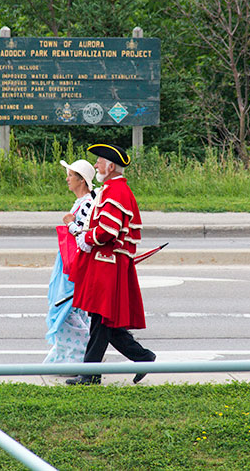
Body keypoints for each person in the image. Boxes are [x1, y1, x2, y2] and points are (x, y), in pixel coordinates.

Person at [66, 144, 156, 385]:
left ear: (111, 166)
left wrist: (83, 235)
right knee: (103, 320)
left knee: (102, 318)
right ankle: (140, 358)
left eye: (99, 161)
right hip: (105, 263)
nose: (96, 165)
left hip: (107, 264)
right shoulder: (113, 189)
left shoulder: (115, 192)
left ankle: (91, 374)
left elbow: (107, 231)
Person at [43, 159, 96, 365]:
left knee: (67, 310)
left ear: (82, 180)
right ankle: (69, 357)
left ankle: (76, 358)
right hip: (70, 262)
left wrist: (70, 224)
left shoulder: (86, 204)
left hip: (75, 265)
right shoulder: (83, 202)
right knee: (74, 309)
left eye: (71, 175)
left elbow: (83, 236)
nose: (67, 179)